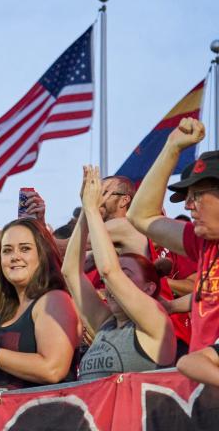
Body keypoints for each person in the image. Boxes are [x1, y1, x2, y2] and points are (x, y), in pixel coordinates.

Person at [63, 166, 176, 380]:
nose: (113, 283)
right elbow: (70, 272)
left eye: (126, 273)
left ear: (149, 287)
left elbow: (109, 271)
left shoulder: (156, 320)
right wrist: (86, 212)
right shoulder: (105, 323)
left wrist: (92, 210)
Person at [0, 218, 80, 392]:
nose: (15, 257)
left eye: (25, 249)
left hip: (48, 414)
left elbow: (53, 370)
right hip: (4, 416)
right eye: (7, 251)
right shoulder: (1, 311)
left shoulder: (54, 300)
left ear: (42, 254)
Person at [128, 118, 219, 352]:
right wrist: (171, 147)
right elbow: (140, 216)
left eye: (197, 195)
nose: (188, 206)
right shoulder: (204, 242)